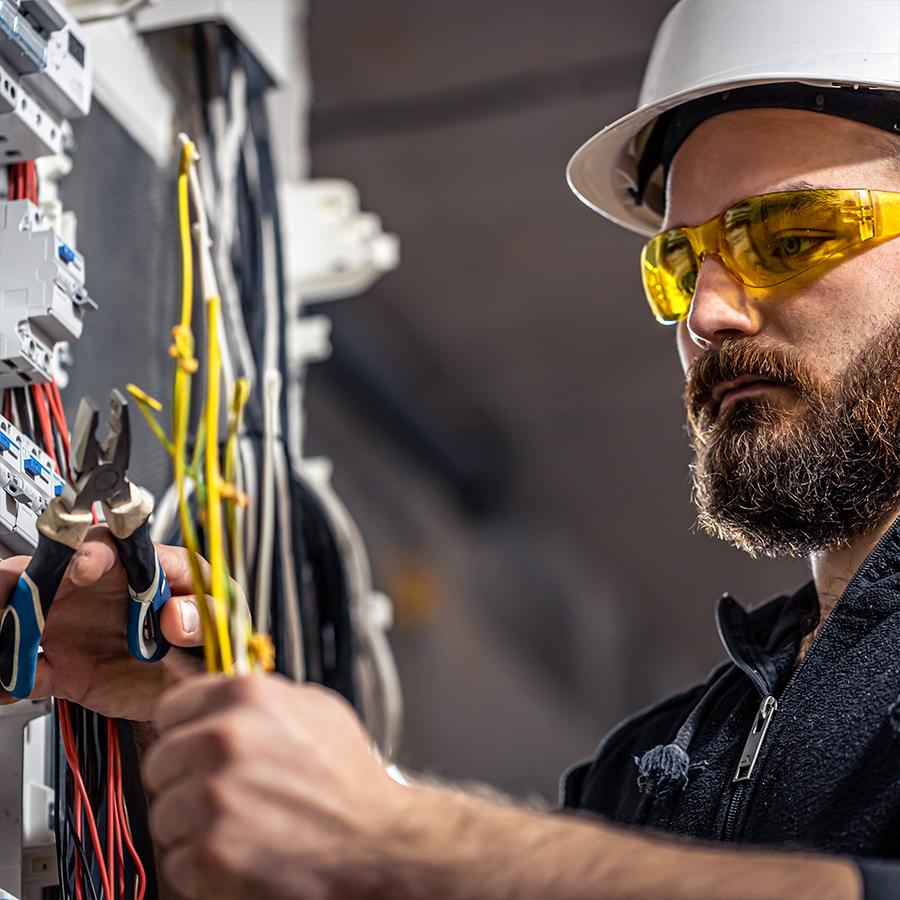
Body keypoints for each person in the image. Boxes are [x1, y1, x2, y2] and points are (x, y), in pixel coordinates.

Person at [6, 0, 900, 897]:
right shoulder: (660, 763)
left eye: (789, 236)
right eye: (679, 265)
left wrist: (389, 833)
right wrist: (197, 728)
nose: (707, 316)